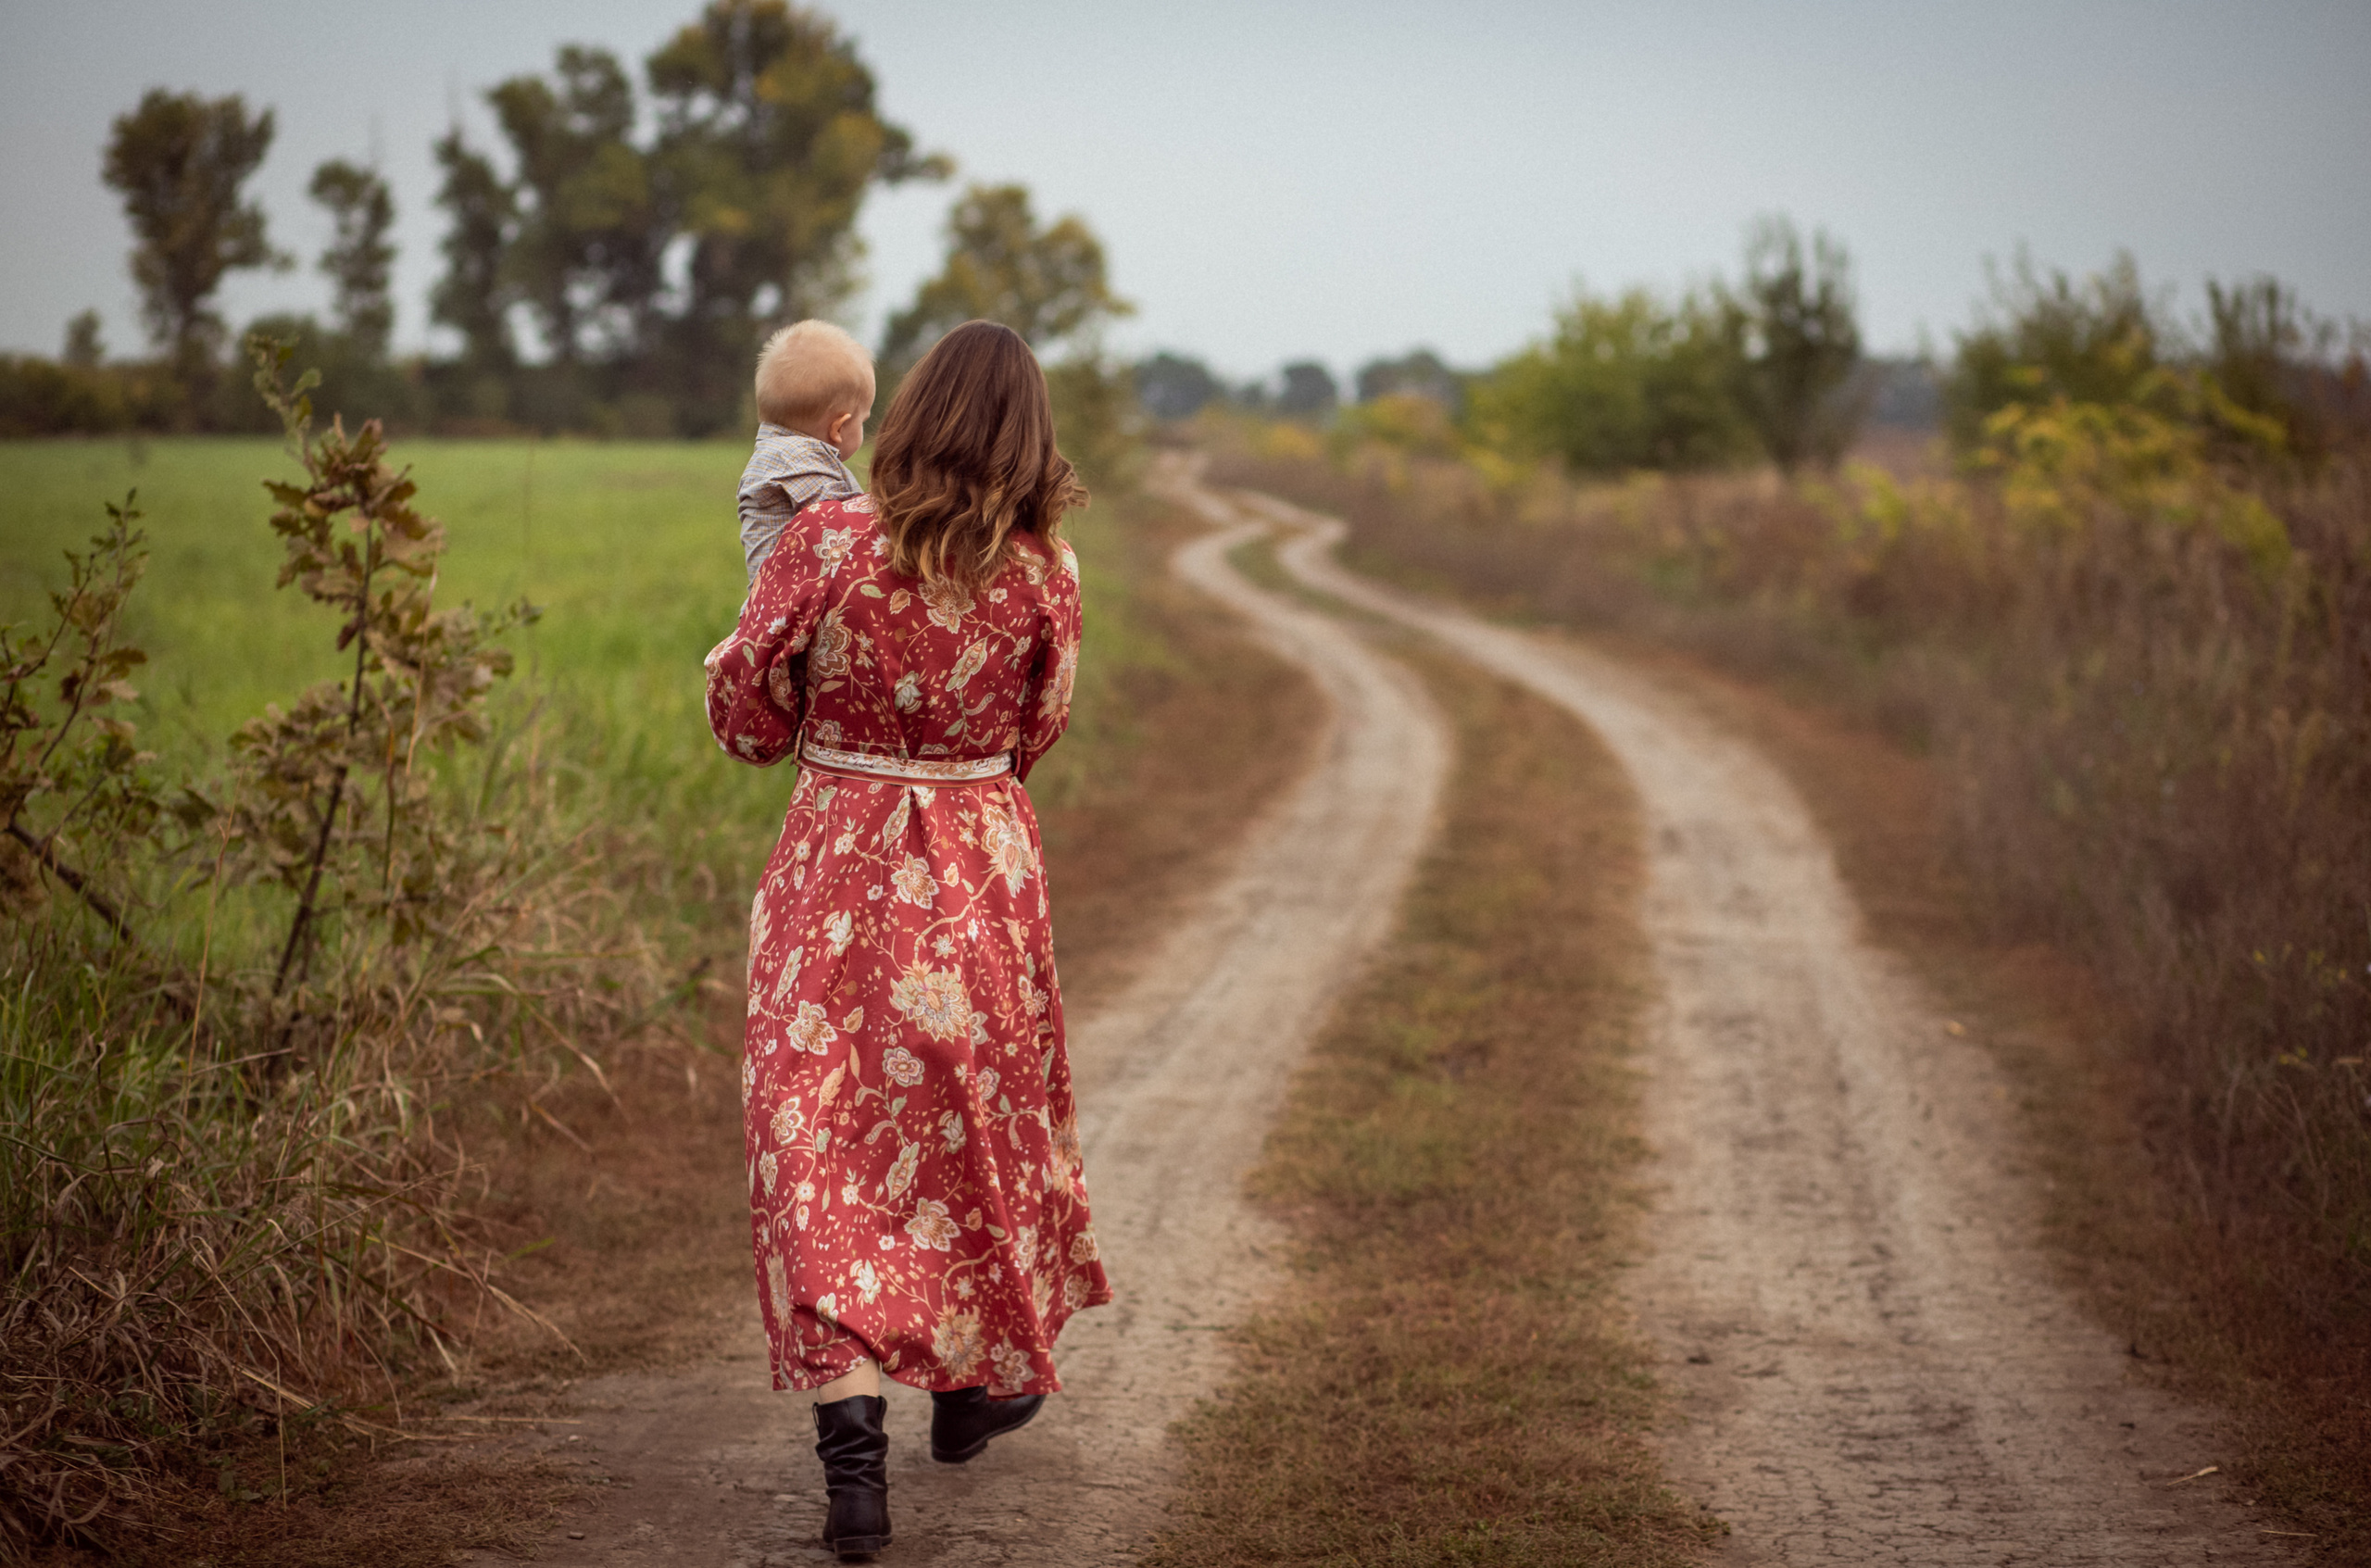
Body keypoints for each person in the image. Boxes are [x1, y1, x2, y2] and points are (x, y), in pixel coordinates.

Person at [704, 320, 1113, 1562]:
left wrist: (781, 686)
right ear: (1031, 443)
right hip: (980, 872)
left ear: (911, 417)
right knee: (963, 1126)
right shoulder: (1051, 575)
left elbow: (744, 715)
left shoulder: (827, 544)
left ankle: (854, 1460)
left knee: (815, 1138)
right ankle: (971, 1385)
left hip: (836, 865)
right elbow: (1038, 729)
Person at [738, 320, 875, 583]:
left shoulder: (774, 454)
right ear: (839, 428)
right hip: (793, 616)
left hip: (774, 611)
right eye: (863, 421)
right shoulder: (799, 463)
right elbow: (854, 529)